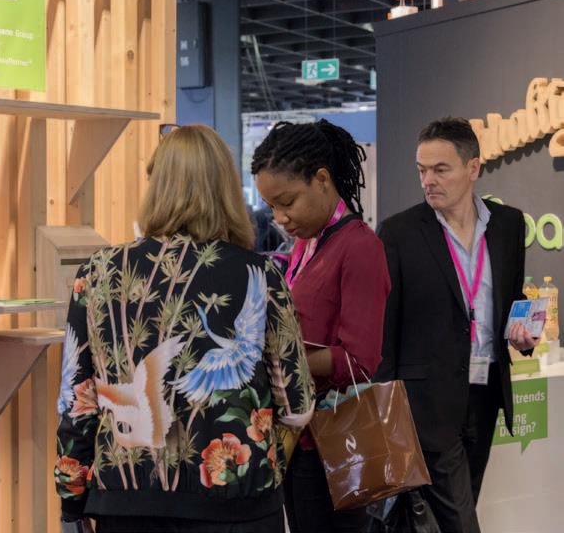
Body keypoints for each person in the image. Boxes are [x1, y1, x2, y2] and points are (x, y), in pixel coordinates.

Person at [55, 124, 315, 533]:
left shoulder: (98, 272)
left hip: (127, 502)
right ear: (225, 190)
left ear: (155, 186)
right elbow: (296, 405)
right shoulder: (260, 275)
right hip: (236, 503)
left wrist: (72, 498)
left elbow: (77, 401)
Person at [376, 117, 538, 533]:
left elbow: (512, 297)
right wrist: (386, 412)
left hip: (485, 395)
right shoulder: (399, 232)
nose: (428, 181)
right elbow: (385, 328)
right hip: (426, 403)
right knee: (460, 519)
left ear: (472, 168)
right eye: (421, 170)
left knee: (457, 509)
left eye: (440, 169)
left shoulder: (508, 224)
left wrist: (523, 335)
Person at [252, 120, 391, 533]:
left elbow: (360, 361)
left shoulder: (360, 246)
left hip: (333, 442)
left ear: (322, 179)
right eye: (271, 207)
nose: (280, 218)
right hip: (298, 435)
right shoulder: (307, 243)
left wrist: (280, 362)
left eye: (287, 202)